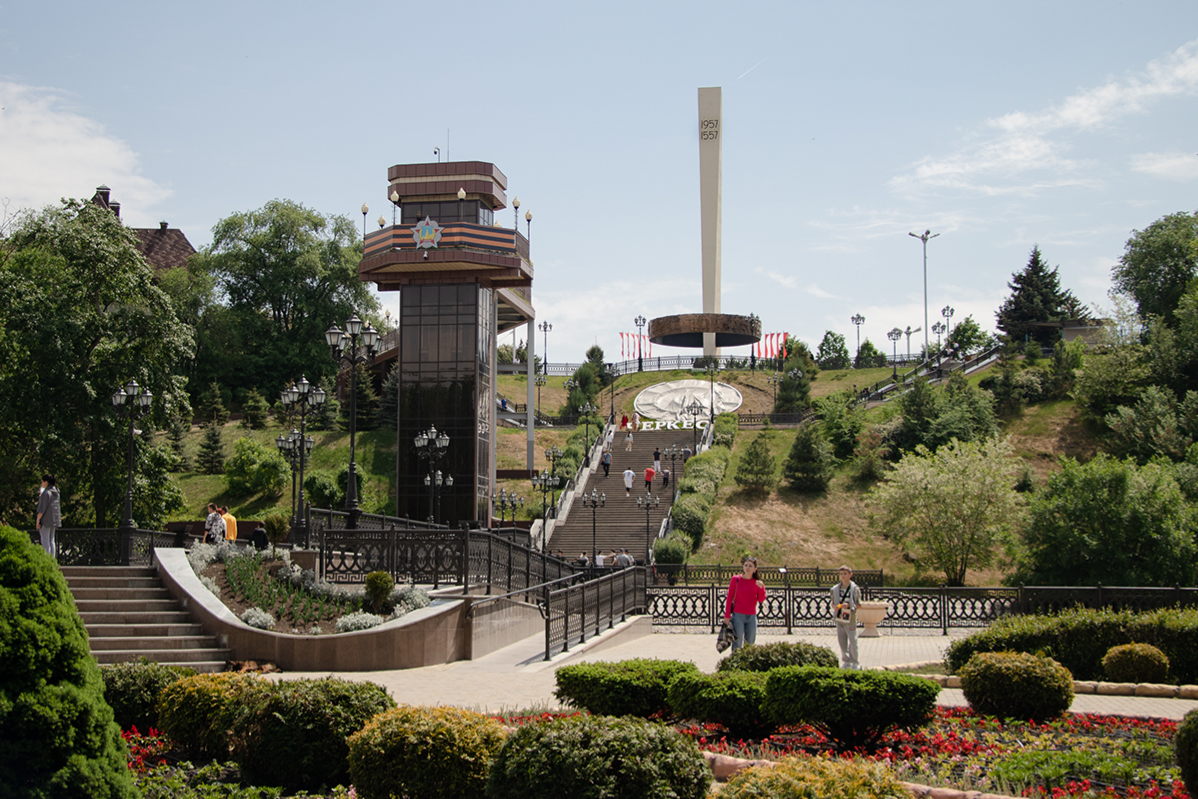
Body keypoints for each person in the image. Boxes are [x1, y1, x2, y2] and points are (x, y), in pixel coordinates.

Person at [723, 556, 766, 651]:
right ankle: (735, 663)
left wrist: (761, 588)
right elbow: (730, 598)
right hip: (738, 616)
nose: (747, 568)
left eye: (750, 566)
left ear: (755, 569)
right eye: (746, 565)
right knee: (737, 642)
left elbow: (761, 599)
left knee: (750, 643)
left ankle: (747, 664)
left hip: (752, 616)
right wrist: (727, 615)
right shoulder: (736, 579)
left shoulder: (757, 582)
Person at [831, 565, 862, 669]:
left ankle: (855, 663)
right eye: (841, 574)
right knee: (842, 642)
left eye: (845, 574)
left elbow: (859, 604)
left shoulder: (854, 589)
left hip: (850, 619)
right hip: (840, 618)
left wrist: (849, 606)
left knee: (853, 641)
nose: (843, 576)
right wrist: (835, 607)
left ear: (850, 575)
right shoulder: (836, 589)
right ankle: (846, 661)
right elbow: (833, 603)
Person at [35, 473, 61, 557]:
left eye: (42, 482)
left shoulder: (46, 493)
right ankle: (52, 560)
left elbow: (42, 509)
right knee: (51, 540)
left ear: (46, 482)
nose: (41, 484)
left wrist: (38, 520)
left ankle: (47, 561)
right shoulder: (56, 492)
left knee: (45, 541)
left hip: (45, 520)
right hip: (54, 520)